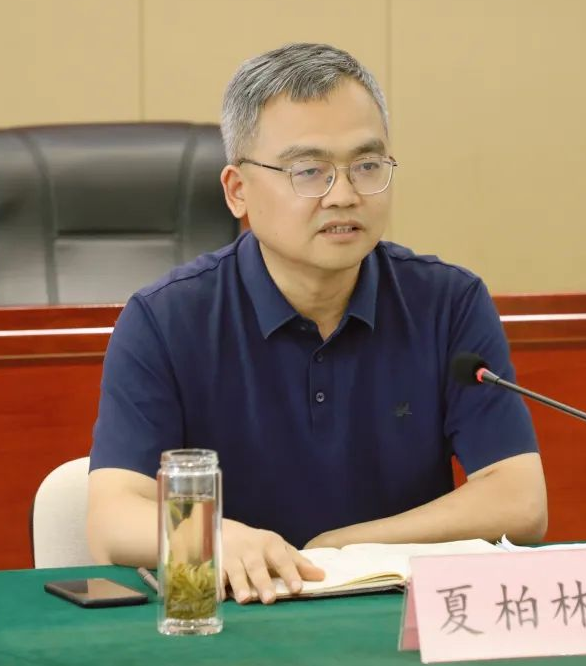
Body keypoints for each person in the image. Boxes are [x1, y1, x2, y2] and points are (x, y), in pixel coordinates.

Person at [87, 42, 547, 605]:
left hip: (396, 618)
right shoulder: (165, 319)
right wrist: (222, 539)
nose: (344, 196)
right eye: (309, 171)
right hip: (240, 617)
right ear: (237, 191)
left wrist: (344, 547)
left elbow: (519, 501)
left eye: (367, 166)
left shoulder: (448, 302)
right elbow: (112, 518)